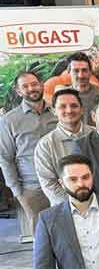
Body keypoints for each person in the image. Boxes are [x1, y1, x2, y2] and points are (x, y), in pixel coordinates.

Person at [0, 70, 57, 241]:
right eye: (25, 86)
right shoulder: (9, 121)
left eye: (34, 84)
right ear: (19, 92)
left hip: (62, 184)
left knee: (68, 234)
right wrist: (18, 193)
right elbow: (5, 158)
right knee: (42, 240)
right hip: (33, 189)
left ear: (41, 85)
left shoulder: (57, 110)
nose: (31, 89)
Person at [35, 88, 92, 204]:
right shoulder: (45, 145)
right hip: (66, 207)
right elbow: (49, 184)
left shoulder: (96, 134)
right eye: (62, 106)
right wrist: (78, 205)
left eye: (74, 106)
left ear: (82, 109)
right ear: (53, 111)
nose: (69, 110)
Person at [66, 51, 99, 119]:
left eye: (84, 70)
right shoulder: (63, 97)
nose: (80, 75)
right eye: (76, 71)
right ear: (68, 72)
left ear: (90, 72)